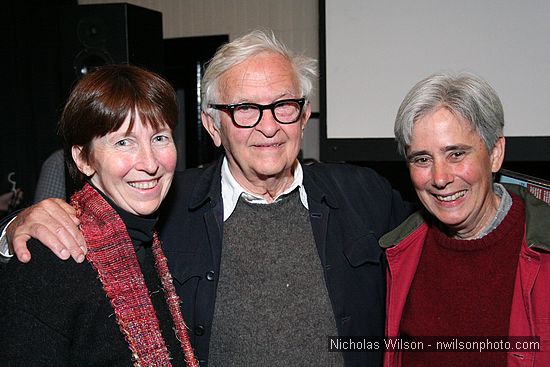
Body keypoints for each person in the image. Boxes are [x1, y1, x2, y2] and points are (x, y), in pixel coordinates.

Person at [1, 31, 411, 366]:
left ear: (304, 117)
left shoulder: (365, 194)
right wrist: (13, 227)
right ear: (213, 127)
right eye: (245, 109)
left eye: (284, 106)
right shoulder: (168, 207)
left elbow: (448, 238)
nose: (268, 127)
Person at [0, 64, 198, 366]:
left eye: (159, 138)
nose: (149, 162)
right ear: (83, 158)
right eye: (123, 142)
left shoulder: (154, 242)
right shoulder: (53, 259)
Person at [381, 72, 550, 366]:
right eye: (422, 159)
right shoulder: (399, 254)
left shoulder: (543, 251)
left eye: (456, 154)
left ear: (495, 153)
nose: (440, 178)